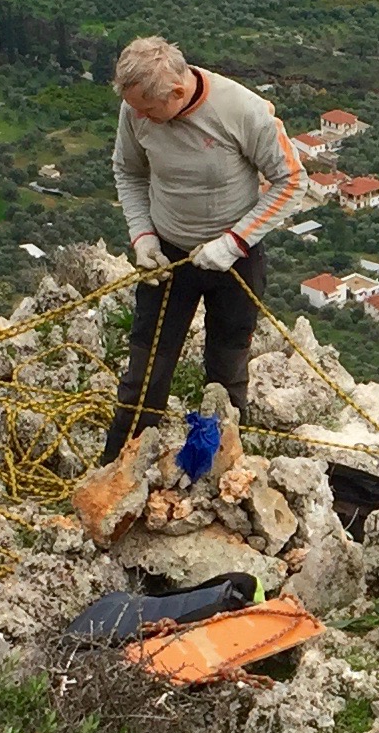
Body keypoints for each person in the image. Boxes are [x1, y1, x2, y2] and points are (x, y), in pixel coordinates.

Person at [99, 36, 307, 460]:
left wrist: (233, 242)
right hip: (168, 256)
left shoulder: (242, 110)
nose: (140, 117)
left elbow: (293, 181)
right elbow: (129, 171)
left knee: (226, 376)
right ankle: (117, 470)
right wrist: (142, 237)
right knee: (145, 374)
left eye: (148, 110)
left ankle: (218, 467)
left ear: (177, 93)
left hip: (235, 262)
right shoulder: (134, 108)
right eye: (134, 108)